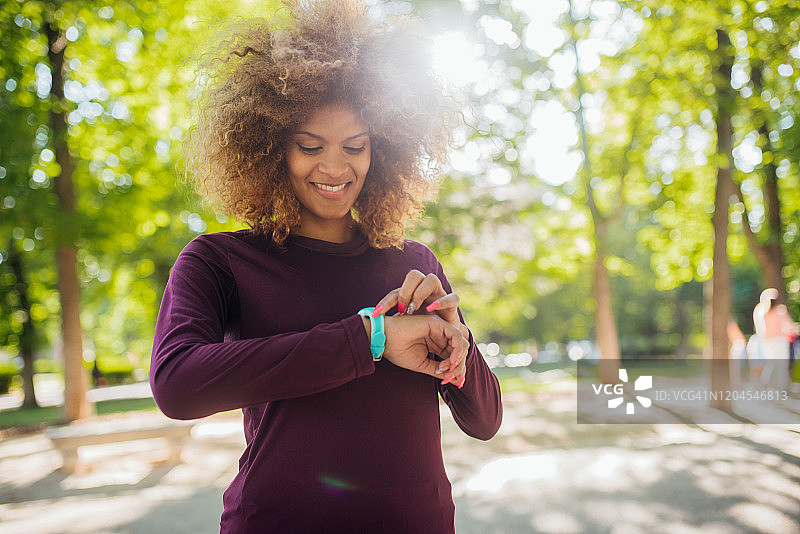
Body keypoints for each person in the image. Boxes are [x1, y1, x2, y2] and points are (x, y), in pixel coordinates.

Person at [149, 1, 503, 532]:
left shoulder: (415, 264)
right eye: (310, 146)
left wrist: (456, 342)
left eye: (355, 147)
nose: (335, 167)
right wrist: (370, 339)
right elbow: (177, 385)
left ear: (380, 151)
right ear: (270, 148)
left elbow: (485, 420)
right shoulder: (220, 261)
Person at [753, 288, 799, 390]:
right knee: (781, 366)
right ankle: (780, 388)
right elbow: (789, 327)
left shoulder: (760, 311)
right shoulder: (780, 310)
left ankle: (764, 383)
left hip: (766, 341)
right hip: (779, 341)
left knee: (772, 363)